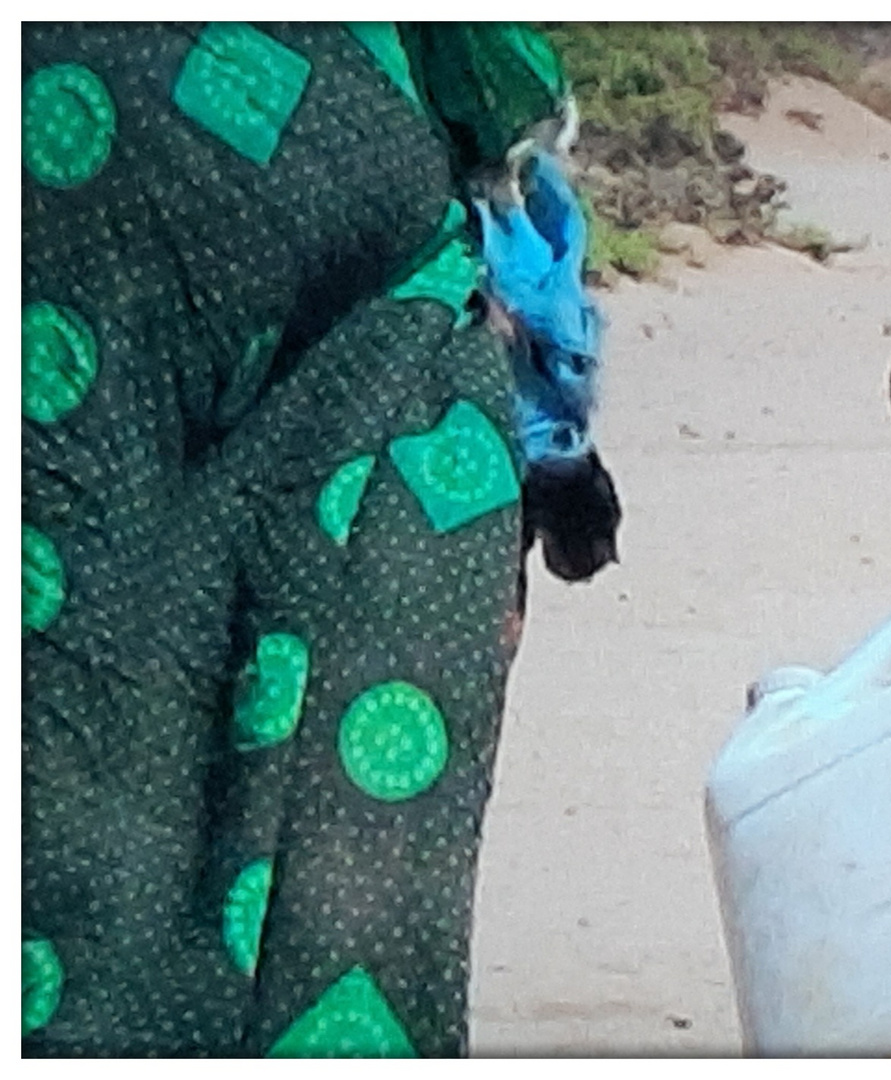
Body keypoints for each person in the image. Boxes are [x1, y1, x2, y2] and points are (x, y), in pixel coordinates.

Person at [22, 22, 598, 1055]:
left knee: (65, 674)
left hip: (58, 167)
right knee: (348, 798)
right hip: (335, 213)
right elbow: (497, 72)